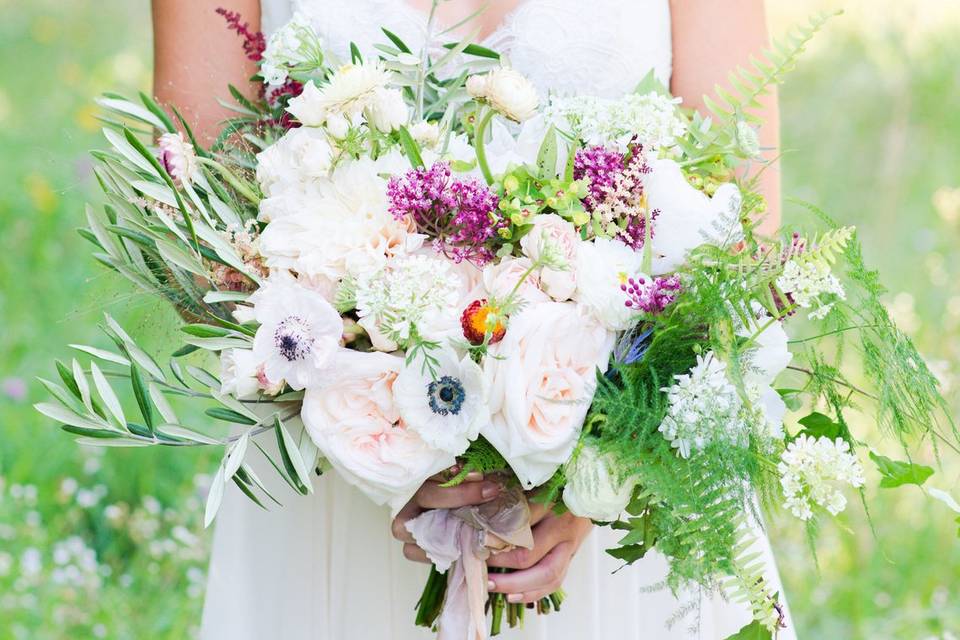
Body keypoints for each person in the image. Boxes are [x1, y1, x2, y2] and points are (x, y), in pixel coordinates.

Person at [152, 1, 792, 637]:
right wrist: (384, 432)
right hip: (335, 487)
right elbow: (199, 237)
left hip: (619, 499)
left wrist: (593, 476)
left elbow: (741, 246)